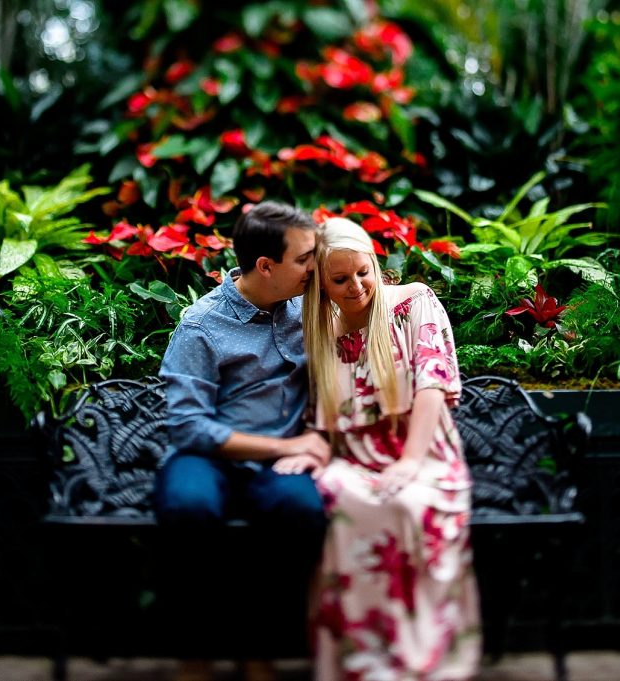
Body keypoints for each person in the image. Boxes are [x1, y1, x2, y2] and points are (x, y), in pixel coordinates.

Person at [154, 201, 331, 681]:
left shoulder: (307, 311)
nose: (314, 267)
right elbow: (187, 426)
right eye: (304, 259)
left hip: (279, 463)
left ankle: (259, 649)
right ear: (265, 266)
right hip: (206, 455)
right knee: (188, 506)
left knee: (302, 510)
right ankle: (195, 651)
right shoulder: (202, 324)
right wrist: (287, 447)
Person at [298, 217, 482, 680]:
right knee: (337, 496)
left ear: (374, 263)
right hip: (355, 459)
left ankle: (418, 656)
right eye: (339, 279)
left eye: (363, 271)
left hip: (425, 453)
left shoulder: (415, 302)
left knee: (407, 500)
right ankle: (362, 656)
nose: (356, 285)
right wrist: (309, 451)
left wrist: (412, 461)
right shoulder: (324, 332)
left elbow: (431, 386)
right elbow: (324, 419)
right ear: (321, 285)